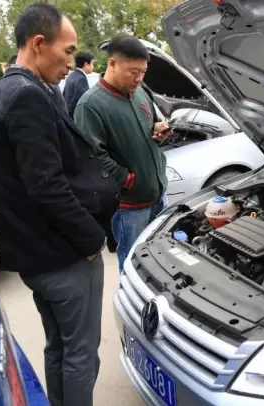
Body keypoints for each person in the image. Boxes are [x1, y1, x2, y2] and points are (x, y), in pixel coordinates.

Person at [0, 4, 119, 406]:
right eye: (68, 51)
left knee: (59, 346)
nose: (71, 63)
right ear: (39, 43)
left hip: (36, 254)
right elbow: (46, 186)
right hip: (61, 255)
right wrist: (91, 239)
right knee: (81, 354)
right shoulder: (27, 96)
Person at [74, 34, 171, 272]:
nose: (139, 78)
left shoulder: (140, 92)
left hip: (159, 196)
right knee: (132, 267)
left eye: (143, 72)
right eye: (133, 72)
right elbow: (93, 159)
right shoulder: (90, 105)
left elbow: (150, 124)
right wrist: (129, 181)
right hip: (129, 208)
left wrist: (158, 130)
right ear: (112, 63)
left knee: (161, 263)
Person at [63, 51, 94, 117]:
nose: (93, 66)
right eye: (92, 64)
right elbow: (82, 102)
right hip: (75, 117)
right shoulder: (81, 79)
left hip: (67, 115)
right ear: (86, 64)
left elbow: (64, 96)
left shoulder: (71, 76)